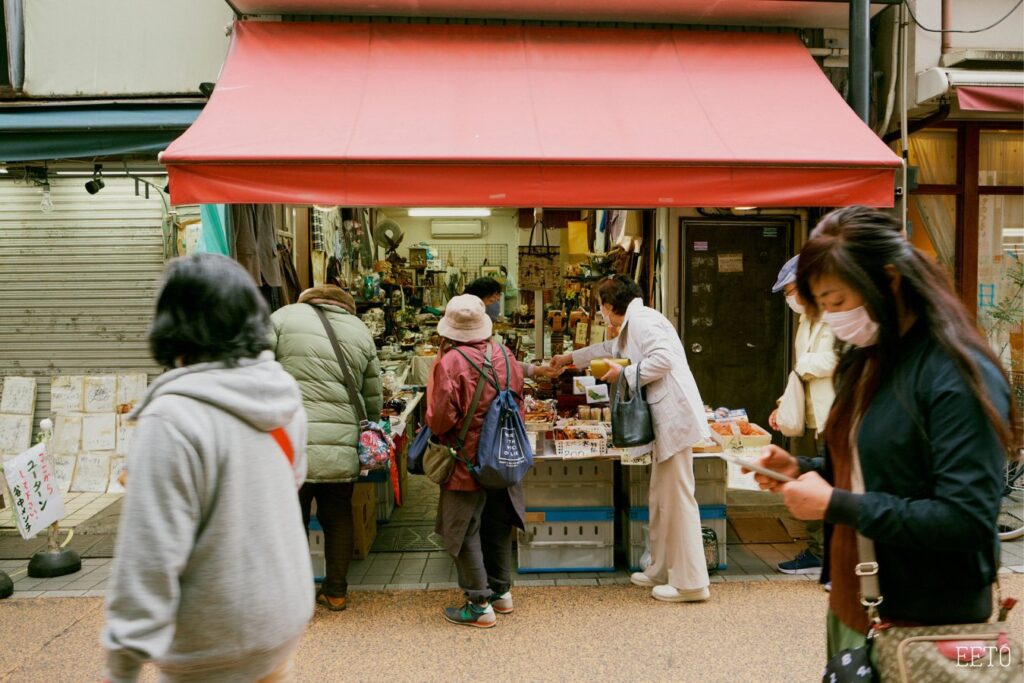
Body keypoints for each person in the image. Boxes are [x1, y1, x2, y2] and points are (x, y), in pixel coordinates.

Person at [751, 206, 1015, 658]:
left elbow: (965, 519)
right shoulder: (869, 354)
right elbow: (872, 465)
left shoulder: (955, 374)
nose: (833, 318)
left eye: (837, 302)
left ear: (890, 280)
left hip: (927, 617)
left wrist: (834, 503)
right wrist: (801, 468)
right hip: (856, 599)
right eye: (824, 307)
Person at [103, 253, 312, 682]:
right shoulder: (281, 393)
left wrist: (122, 663)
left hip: (212, 642)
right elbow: (285, 484)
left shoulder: (172, 419)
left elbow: (149, 555)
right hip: (280, 622)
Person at [550, 275, 712, 603]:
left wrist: (622, 373)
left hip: (675, 418)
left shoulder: (643, 321)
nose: (600, 315)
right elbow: (611, 350)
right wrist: (569, 360)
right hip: (666, 420)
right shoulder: (634, 324)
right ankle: (661, 568)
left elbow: (664, 360)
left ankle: (691, 583)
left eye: (601, 309)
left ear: (610, 307)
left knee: (678, 500)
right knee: (661, 498)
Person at [270, 284, 382, 612]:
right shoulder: (359, 330)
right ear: (345, 306)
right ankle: (336, 591)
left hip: (291, 441)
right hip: (341, 440)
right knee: (338, 517)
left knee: (293, 520)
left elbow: (255, 368)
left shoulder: (281, 318)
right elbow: (372, 394)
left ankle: (295, 596)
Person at [428, 294, 525, 628]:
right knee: (497, 526)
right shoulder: (506, 355)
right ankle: (501, 594)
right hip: (502, 457)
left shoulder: (450, 362)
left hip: (465, 462)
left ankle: (478, 603)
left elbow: (439, 420)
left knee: (464, 530)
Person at [767, 255, 837, 576]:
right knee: (810, 479)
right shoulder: (805, 321)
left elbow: (838, 359)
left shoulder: (837, 316)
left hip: (834, 416)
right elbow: (799, 374)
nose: (789, 299)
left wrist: (806, 365)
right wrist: (784, 404)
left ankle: (829, 552)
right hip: (811, 418)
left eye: (791, 290)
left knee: (830, 481)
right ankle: (820, 549)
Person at [464, 276, 562, 380]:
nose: (497, 305)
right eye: (492, 300)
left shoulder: (485, 334)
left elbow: (503, 363)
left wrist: (538, 370)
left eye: (498, 300)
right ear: (475, 302)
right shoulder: (466, 337)